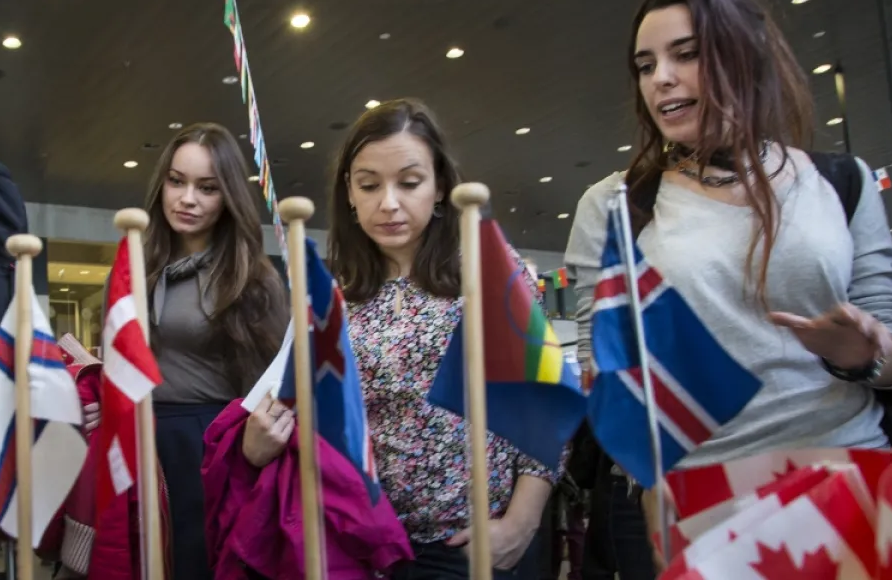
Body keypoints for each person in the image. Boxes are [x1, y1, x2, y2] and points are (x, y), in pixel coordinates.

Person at [564, 0, 892, 572]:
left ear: (744, 55)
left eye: (687, 54)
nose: (661, 79)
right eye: (646, 65)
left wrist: (868, 352)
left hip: (851, 477)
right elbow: (609, 373)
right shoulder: (616, 205)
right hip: (701, 499)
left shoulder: (841, 181)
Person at [321, 98, 558, 579]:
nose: (388, 203)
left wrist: (522, 521)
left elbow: (546, 401)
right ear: (349, 191)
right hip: (378, 545)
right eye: (369, 185)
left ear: (440, 185)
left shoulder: (487, 267)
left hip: (479, 542)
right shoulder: (337, 297)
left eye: (409, 183)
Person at [85, 122, 287, 579]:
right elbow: (120, 357)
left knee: (198, 565)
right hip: (137, 436)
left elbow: (272, 383)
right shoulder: (137, 264)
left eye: (207, 188)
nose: (187, 198)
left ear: (228, 196)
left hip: (211, 443)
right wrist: (100, 396)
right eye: (177, 181)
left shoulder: (249, 277)